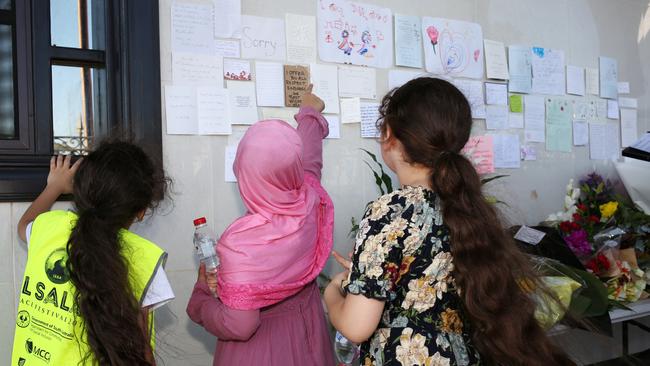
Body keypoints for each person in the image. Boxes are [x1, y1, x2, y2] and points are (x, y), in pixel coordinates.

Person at [324, 77, 575, 366]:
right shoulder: (466, 206)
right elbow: (429, 281)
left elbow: (356, 327)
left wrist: (334, 291)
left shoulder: (390, 210)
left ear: (389, 134)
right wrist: (367, 273)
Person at [186, 85, 335, 366]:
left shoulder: (242, 246)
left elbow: (240, 324)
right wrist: (309, 113)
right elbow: (309, 162)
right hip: (309, 338)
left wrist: (201, 300)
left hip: (261, 351)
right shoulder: (311, 201)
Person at [12, 141, 174, 366]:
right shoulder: (143, 259)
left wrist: (55, 187)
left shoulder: (48, 228)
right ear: (141, 210)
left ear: (81, 191)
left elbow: (25, 224)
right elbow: (141, 349)